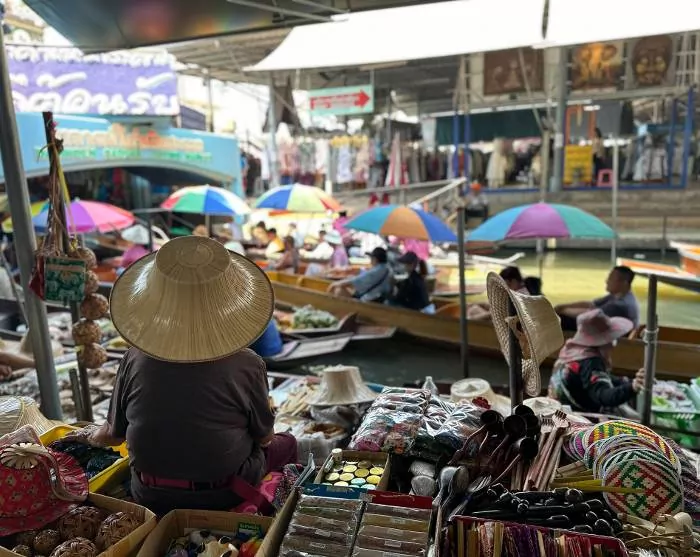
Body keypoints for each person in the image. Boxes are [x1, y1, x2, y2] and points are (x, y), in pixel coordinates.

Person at [63, 236, 297, 515]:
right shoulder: (247, 363)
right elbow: (265, 437)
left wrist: (88, 435)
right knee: (288, 443)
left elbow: (113, 436)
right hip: (224, 492)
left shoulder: (134, 358)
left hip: (149, 493)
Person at [549, 309, 646, 414]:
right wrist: (633, 387)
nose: (612, 346)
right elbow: (604, 396)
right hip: (576, 417)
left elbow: (600, 379)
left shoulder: (572, 353)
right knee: (635, 419)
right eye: (612, 340)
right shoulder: (591, 362)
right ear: (603, 342)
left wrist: (627, 382)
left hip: (555, 411)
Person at [555, 265, 639, 332]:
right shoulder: (617, 295)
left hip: (619, 341)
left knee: (562, 319)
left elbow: (589, 314)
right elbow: (590, 304)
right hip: (604, 330)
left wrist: (562, 311)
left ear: (624, 283)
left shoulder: (621, 304)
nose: (607, 281)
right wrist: (563, 306)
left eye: (611, 278)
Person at [328, 247, 393, 303]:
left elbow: (354, 281)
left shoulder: (377, 271)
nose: (370, 260)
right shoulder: (386, 268)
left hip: (370, 300)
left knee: (339, 288)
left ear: (375, 259)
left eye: (371, 258)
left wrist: (334, 284)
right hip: (379, 298)